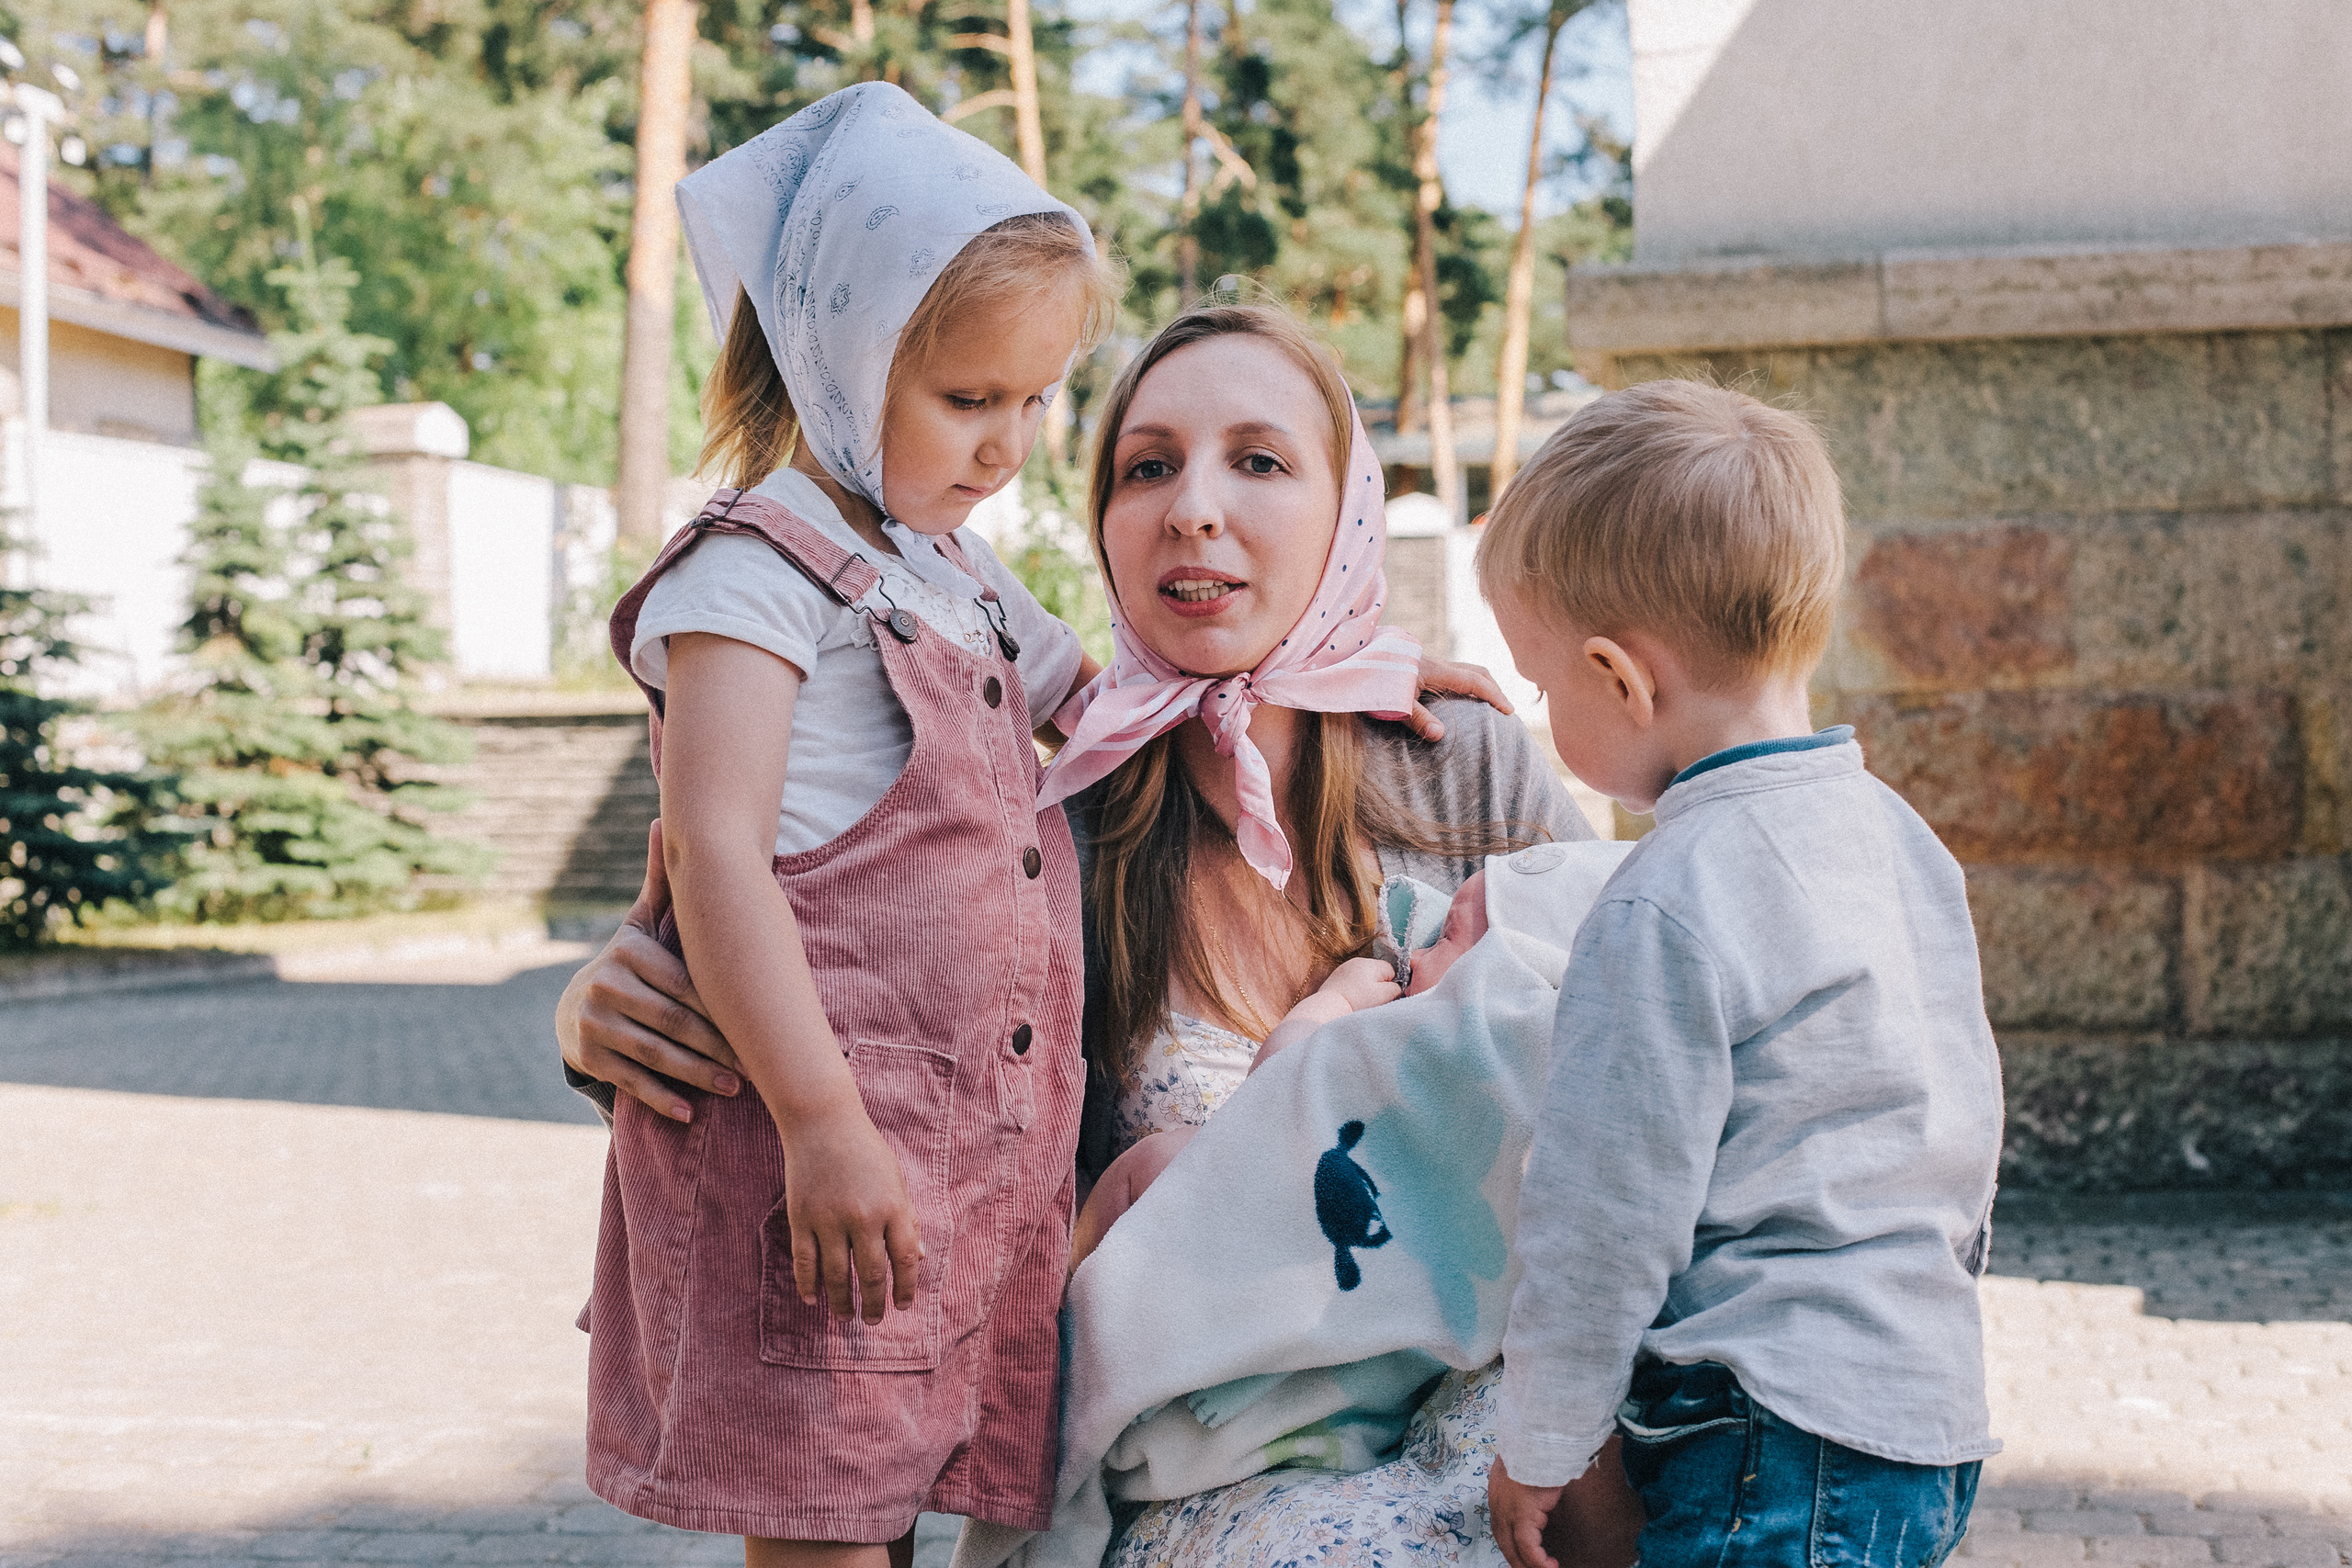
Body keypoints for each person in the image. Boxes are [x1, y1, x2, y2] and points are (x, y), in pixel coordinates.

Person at [557, 300, 1614, 1568]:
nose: (1194, 509)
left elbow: (1643, 1064)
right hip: (1202, 1465)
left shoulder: (1467, 762)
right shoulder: (1039, 821)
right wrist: (608, 1015)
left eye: (1260, 461)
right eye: (1147, 467)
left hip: (1501, 1412)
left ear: (1348, 514)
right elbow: (871, 1070)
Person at [579, 82, 1124, 1568]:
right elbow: (716, 854)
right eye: (968, 399)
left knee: (895, 1491)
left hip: (962, 1158)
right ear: (841, 357)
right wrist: (821, 1126)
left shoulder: (958, 569)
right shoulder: (751, 575)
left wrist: (1346, 678)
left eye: (1036, 402)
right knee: (822, 1519)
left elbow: (1111, 710)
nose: (1009, 446)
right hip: (816, 1143)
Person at [1476, 380, 2005, 1568]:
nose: (1542, 715)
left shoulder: (1666, 897)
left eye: (1543, 687)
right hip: (1925, 1410)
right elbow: (1965, 1117)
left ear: (1620, 677)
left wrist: (1543, 1438)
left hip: (1766, 1428)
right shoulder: (1898, 838)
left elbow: (1604, 1212)